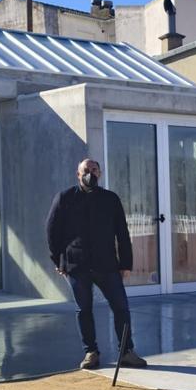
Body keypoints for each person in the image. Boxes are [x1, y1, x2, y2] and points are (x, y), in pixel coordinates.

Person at [46, 158, 147, 371]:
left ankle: (126, 351)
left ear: (100, 174)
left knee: (121, 308)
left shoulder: (110, 199)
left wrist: (126, 263)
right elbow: (52, 231)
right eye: (86, 170)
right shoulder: (64, 198)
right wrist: (58, 260)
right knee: (84, 310)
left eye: (94, 170)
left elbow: (122, 233)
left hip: (107, 264)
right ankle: (91, 352)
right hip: (76, 266)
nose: (90, 173)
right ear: (78, 174)